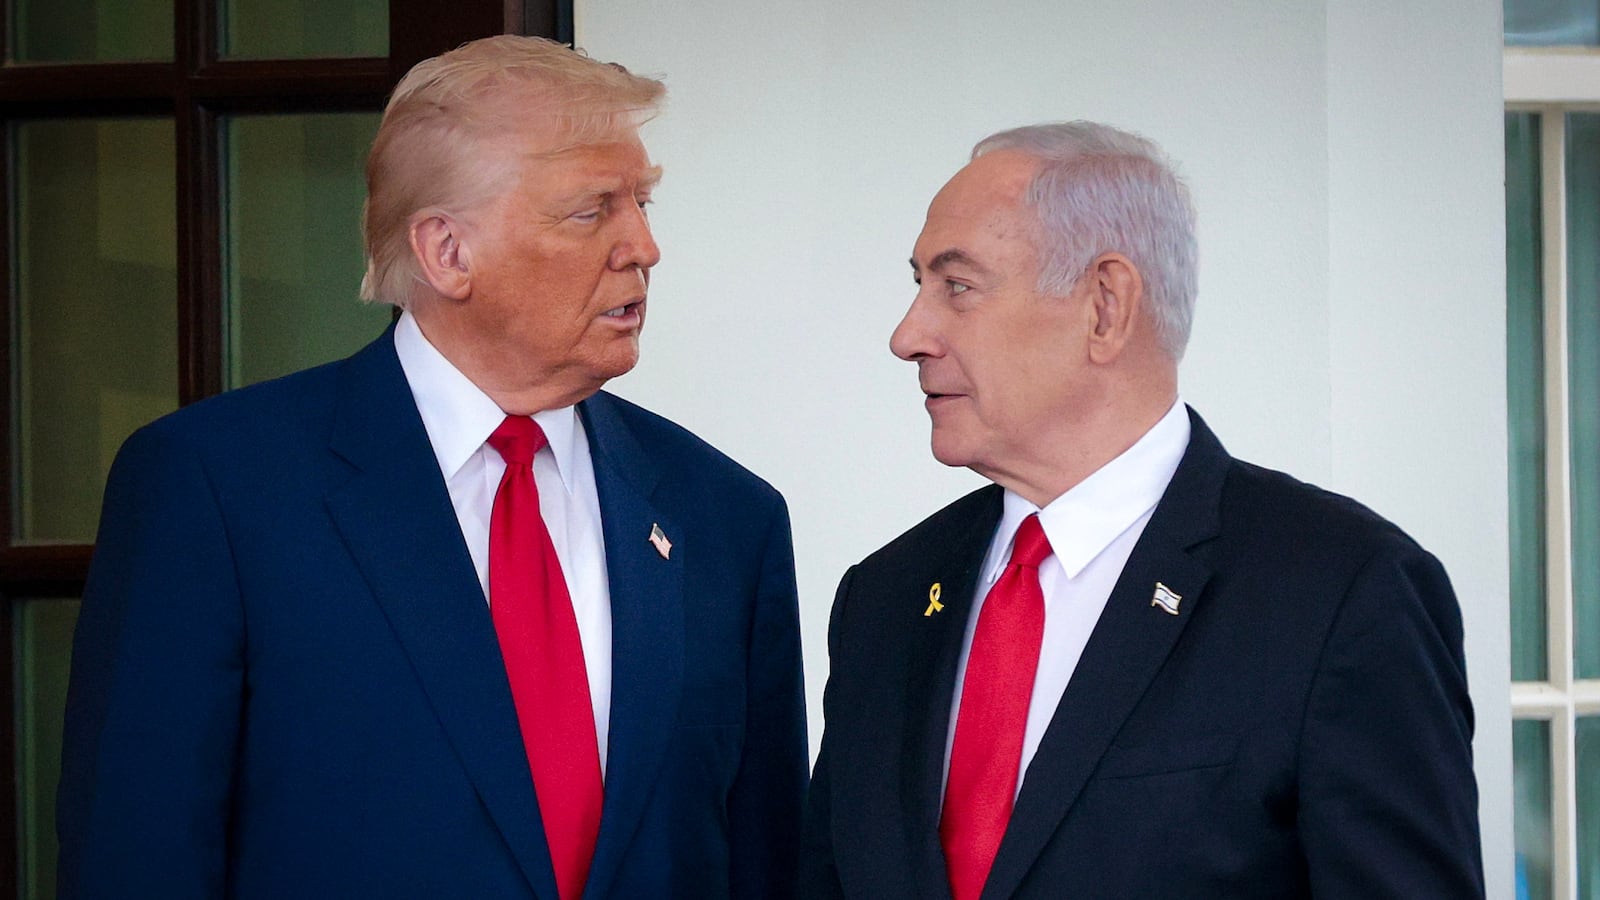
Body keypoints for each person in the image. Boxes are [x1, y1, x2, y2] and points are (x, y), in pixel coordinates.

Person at [58, 35, 806, 900]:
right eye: (592, 210)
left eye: (642, 202)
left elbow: (766, 861)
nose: (643, 245)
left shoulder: (726, 516)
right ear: (447, 252)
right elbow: (137, 856)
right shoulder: (216, 489)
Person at [799, 121, 1482, 899]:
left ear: (1104, 306)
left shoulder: (1343, 592)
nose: (907, 334)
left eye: (957, 286)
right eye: (918, 285)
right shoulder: (884, 598)